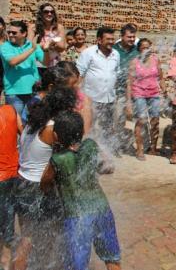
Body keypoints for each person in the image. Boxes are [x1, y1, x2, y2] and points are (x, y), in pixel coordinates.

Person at [41, 111, 122, 270]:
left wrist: (51, 190)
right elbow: (106, 166)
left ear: (56, 136)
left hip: (77, 218)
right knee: (112, 258)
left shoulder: (57, 160)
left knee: (76, 265)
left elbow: (44, 183)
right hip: (102, 210)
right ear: (82, 132)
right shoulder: (90, 145)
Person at [13, 87, 77, 270]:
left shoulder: (34, 122)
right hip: (38, 186)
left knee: (27, 236)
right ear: (63, 109)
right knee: (54, 232)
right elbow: (58, 163)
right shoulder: (51, 129)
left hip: (22, 182)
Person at [76, 27, 120, 162]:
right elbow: (79, 74)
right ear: (99, 40)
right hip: (91, 99)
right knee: (89, 129)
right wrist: (79, 97)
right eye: (108, 39)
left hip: (109, 99)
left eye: (113, 39)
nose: (111, 42)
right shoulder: (88, 53)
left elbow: (116, 73)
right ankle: (87, 157)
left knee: (107, 129)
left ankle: (105, 158)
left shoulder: (116, 54)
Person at [126, 38, 165, 160]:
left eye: (148, 47)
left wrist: (164, 90)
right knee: (141, 120)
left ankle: (153, 148)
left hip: (154, 94)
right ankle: (139, 149)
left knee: (155, 121)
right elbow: (129, 82)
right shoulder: (134, 62)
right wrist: (128, 101)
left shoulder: (155, 60)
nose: (146, 50)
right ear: (139, 49)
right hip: (139, 94)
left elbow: (161, 76)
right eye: (143, 47)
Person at [0, 21, 47, 117]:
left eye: (14, 33)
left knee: (33, 121)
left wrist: (47, 50)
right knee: (15, 124)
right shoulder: (5, 46)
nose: (10, 35)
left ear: (24, 33)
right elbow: (13, 62)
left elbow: (45, 62)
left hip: (33, 91)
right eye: (9, 32)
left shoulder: (32, 45)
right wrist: (32, 49)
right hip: (14, 93)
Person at [0, 103, 21, 267]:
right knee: (8, 217)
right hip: (12, 174)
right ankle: (7, 259)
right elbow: (24, 133)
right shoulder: (11, 110)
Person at [113, 23, 139, 153]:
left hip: (135, 90)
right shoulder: (113, 49)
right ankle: (117, 145)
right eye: (129, 37)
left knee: (135, 118)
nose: (132, 39)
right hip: (118, 91)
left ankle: (131, 144)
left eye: (133, 37)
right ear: (122, 36)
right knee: (118, 118)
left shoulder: (137, 50)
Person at [35, 3, 66, 69]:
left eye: (52, 12)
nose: (49, 14)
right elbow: (29, 47)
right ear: (41, 14)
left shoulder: (59, 27)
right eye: (46, 12)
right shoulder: (34, 27)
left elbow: (61, 47)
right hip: (38, 63)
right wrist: (52, 44)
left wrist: (48, 45)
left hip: (54, 65)